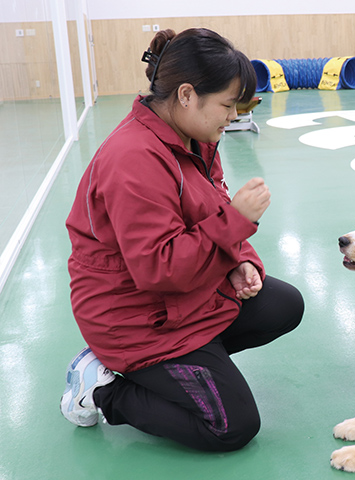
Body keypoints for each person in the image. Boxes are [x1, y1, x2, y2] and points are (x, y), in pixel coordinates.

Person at [60, 28, 304, 452]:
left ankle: (187, 371)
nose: (232, 117)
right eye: (227, 105)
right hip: (132, 316)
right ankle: (100, 389)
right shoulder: (134, 158)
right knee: (232, 426)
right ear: (188, 95)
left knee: (283, 305)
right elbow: (159, 267)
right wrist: (237, 223)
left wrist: (240, 259)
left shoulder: (193, 138)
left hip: (178, 301)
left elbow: (212, 207)